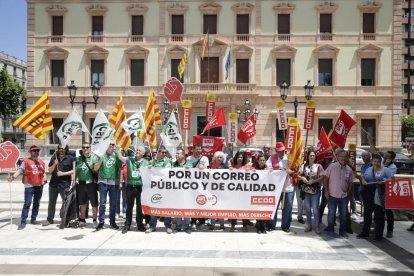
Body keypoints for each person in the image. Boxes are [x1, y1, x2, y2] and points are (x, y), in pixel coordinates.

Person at [8, 145, 46, 229]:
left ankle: (33, 219)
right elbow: (20, 170)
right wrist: (13, 177)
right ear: (30, 152)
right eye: (34, 151)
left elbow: (43, 173)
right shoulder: (25, 161)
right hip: (29, 186)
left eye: (37, 151)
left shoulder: (41, 162)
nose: (36, 152)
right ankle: (23, 222)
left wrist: (45, 179)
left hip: (39, 186)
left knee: (36, 203)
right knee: (27, 203)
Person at [357, 153, 394, 241]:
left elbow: (393, 180)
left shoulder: (386, 170)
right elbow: (362, 176)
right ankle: (365, 232)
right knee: (367, 215)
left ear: (380, 162)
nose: (376, 163)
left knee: (379, 216)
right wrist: (363, 180)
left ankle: (378, 235)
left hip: (380, 196)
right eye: (374, 161)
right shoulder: (369, 169)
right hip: (369, 194)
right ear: (372, 161)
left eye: (378, 161)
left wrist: (384, 181)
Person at [116, 146, 150, 234]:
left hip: (140, 187)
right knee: (129, 207)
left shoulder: (146, 162)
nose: (137, 151)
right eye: (137, 150)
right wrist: (117, 149)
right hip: (130, 186)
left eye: (139, 150)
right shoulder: (129, 159)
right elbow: (120, 157)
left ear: (143, 153)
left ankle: (140, 224)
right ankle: (127, 224)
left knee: (139, 207)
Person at [323, 150, 354, 238]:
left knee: (343, 215)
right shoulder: (332, 166)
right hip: (332, 195)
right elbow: (325, 178)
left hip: (344, 196)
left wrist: (348, 193)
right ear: (338, 157)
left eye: (345, 157)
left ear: (347, 158)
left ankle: (342, 232)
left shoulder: (349, 170)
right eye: (341, 157)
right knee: (331, 214)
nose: (343, 158)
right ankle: (330, 230)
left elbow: (351, 183)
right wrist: (326, 191)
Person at [94, 142, 122, 231]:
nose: (111, 147)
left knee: (113, 204)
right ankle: (101, 222)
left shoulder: (116, 156)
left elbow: (120, 168)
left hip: (113, 183)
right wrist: (100, 160)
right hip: (103, 182)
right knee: (102, 203)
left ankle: (112, 222)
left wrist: (120, 181)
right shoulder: (101, 155)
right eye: (109, 145)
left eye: (112, 145)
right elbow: (95, 168)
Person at [45, 145, 75, 228]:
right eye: (60, 149)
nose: (61, 150)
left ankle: (64, 219)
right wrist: (54, 164)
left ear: (66, 150)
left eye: (63, 149)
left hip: (65, 184)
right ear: (58, 149)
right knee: (51, 203)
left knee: (65, 203)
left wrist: (63, 173)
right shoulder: (54, 158)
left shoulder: (70, 158)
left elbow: (74, 170)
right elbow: (50, 170)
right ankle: (49, 219)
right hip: (53, 184)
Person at [147, 146, 173, 234]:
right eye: (162, 152)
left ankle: (168, 226)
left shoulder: (167, 161)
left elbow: (166, 171)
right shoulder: (152, 161)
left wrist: (155, 170)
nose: (164, 154)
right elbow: (146, 172)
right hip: (154, 188)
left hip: (165, 187)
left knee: (166, 207)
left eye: (165, 152)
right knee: (154, 207)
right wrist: (150, 167)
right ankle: (152, 226)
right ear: (158, 152)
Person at [299, 150, 324, 234]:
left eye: (313, 155)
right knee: (307, 209)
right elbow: (298, 175)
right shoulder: (303, 165)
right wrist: (303, 178)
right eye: (310, 155)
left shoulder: (318, 166)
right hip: (306, 190)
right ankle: (308, 224)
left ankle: (317, 226)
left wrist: (314, 181)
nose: (312, 157)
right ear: (308, 156)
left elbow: (322, 177)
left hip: (315, 190)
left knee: (315, 209)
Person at [75, 143, 98, 227]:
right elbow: (76, 171)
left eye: (87, 147)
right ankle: (82, 219)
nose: (85, 149)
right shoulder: (78, 159)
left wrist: (93, 167)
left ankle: (94, 220)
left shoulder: (94, 158)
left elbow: (97, 171)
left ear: (90, 148)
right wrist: (73, 181)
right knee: (82, 203)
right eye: (83, 147)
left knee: (94, 203)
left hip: (91, 184)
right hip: (81, 183)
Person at [186, 143, 209, 228]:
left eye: (200, 149)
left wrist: (204, 168)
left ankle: (202, 222)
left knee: (202, 202)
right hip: (192, 184)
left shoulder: (205, 158)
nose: (198, 151)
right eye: (197, 149)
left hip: (202, 183)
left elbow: (208, 170)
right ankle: (193, 221)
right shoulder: (189, 158)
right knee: (193, 202)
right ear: (193, 150)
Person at [229, 151, 253, 232]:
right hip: (234, 192)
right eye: (239, 157)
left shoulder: (247, 167)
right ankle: (233, 225)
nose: (240, 159)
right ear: (236, 158)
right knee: (234, 209)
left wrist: (251, 170)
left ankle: (245, 225)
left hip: (244, 193)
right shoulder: (232, 167)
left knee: (244, 209)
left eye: (242, 157)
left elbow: (254, 171)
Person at [172, 148, 193, 234]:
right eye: (176, 154)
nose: (176, 155)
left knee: (187, 208)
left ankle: (187, 226)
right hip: (177, 191)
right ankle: (178, 226)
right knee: (178, 208)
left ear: (183, 155)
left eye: (178, 154)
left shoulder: (189, 163)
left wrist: (190, 169)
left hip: (187, 191)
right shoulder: (173, 164)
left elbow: (194, 175)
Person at [208, 151, 228, 231]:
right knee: (212, 207)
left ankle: (222, 224)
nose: (219, 159)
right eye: (218, 157)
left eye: (221, 157)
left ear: (223, 159)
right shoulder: (210, 166)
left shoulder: (225, 167)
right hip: (211, 190)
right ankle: (212, 224)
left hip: (221, 190)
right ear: (215, 158)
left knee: (221, 207)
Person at [253, 153, 269, 234]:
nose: (262, 162)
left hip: (265, 193)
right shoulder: (254, 169)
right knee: (258, 210)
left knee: (264, 209)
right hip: (257, 193)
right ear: (258, 161)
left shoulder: (268, 169)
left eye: (263, 160)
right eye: (260, 160)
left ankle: (263, 226)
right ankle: (259, 227)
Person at [383, 150, 397, 238]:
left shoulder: (392, 167)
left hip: (388, 191)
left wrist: (385, 166)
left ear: (391, 158)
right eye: (385, 156)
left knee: (388, 212)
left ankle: (390, 230)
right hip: (379, 190)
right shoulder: (381, 164)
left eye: (387, 157)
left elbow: (388, 177)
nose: (385, 158)